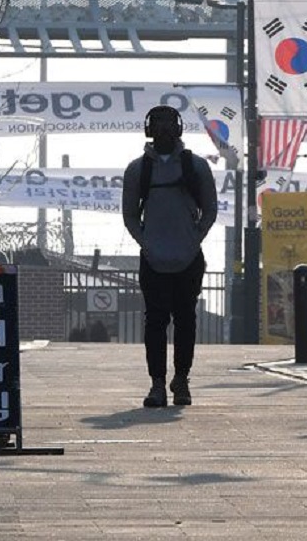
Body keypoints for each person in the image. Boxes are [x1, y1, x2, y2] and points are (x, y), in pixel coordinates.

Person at [122, 105, 217, 408]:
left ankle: (182, 380)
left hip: (188, 258)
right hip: (153, 260)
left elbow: (210, 210)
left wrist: (193, 239)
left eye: (168, 124)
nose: (163, 130)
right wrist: (146, 243)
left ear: (178, 129)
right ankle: (158, 384)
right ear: (149, 129)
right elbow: (129, 216)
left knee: (186, 321)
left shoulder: (196, 166)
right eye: (158, 124)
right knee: (155, 323)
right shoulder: (138, 169)